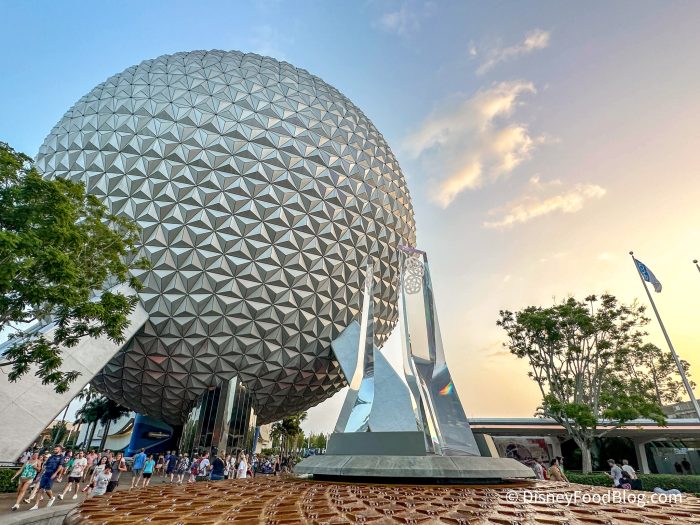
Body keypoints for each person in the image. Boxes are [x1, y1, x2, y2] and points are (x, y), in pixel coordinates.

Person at [29, 445, 65, 510]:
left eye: (56, 449)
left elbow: (61, 467)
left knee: (47, 489)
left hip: (52, 474)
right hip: (46, 473)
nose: (54, 450)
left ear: (60, 450)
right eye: (54, 449)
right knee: (40, 489)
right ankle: (36, 505)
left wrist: (56, 474)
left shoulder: (61, 457)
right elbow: (45, 466)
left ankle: (51, 498)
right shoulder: (51, 456)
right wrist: (39, 475)